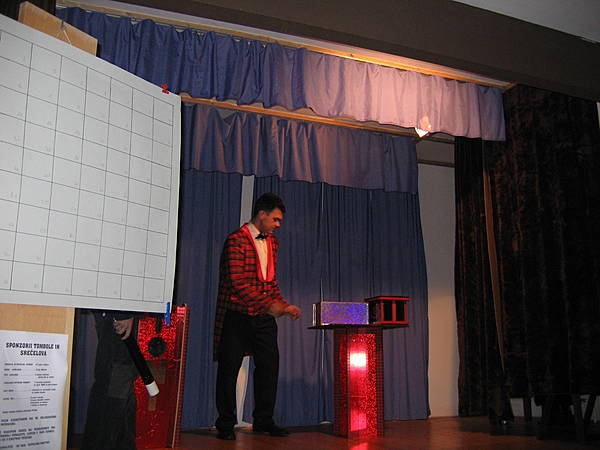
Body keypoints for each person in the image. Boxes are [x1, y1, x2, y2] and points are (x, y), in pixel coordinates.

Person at [213, 192, 301, 441]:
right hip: (237, 315)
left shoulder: (273, 243)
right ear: (262, 214)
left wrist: (284, 306)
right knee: (229, 368)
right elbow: (237, 282)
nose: (278, 225)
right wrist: (269, 305)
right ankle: (225, 423)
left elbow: (270, 282)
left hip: (262, 316)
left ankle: (263, 420)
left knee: (269, 367)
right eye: (275, 219)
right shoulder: (236, 240)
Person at [81, 310, 139, 450]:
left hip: (115, 312)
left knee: (118, 382)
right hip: (118, 312)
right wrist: (123, 313)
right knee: (116, 382)